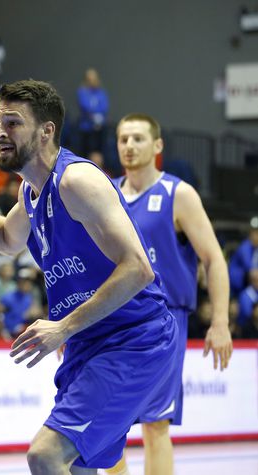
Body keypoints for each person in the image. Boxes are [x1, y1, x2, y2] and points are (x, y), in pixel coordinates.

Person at [0, 79, 180, 474]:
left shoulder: (76, 181)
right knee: (76, 468)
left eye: (13, 123)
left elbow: (138, 268)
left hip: (134, 340)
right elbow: (5, 238)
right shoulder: (30, 192)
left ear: (46, 131)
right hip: (88, 343)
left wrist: (63, 327)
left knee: (45, 455)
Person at [108, 113, 233, 475]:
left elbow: (214, 259)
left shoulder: (179, 194)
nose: (129, 146)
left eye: (138, 138)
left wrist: (220, 321)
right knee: (107, 424)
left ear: (157, 145)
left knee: (155, 423)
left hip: (162, 320)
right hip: (111, 317)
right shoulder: (106, 194)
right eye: (123, 139)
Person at [76, 68, 109, 157]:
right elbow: (85, 106)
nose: (92, 81)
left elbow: (104, 107)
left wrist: (98, 118)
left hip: (100, 128)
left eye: (94, 79)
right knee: (85, 154)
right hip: (86, 129)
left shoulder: (101, 92)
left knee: (100, 153)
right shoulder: (82, 92)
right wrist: (94, 117)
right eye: (90, 79)